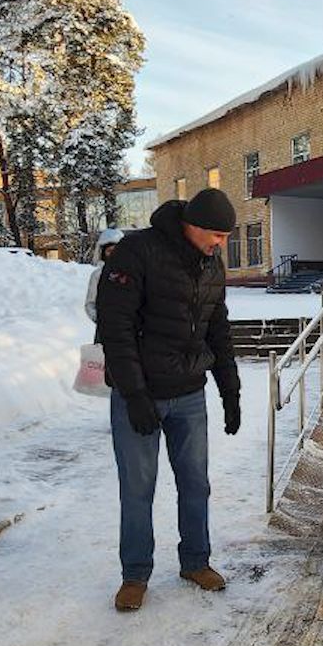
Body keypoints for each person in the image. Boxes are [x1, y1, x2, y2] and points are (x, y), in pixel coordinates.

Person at [94, 188, 243, 612]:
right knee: (138, 489)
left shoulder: (212, 263)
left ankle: (196, 561)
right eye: (216, 234)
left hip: (189, 395)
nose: (221, 244)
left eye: (226, 236)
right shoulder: (137, 252)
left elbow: (219, 329)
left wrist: (229, 391)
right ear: (191, 226)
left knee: (196, 484)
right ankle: (135, 574)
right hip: (138, 396)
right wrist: (135, 394)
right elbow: (116, 328)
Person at [84, 225, 130, 322]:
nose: (113, 255)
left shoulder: (131, 272)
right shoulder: (97, 275)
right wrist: (100, 319)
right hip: (106, 329)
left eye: (117, 251)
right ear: (103, 253)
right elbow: (90, 303)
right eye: (109, 251)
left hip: (129, 328)